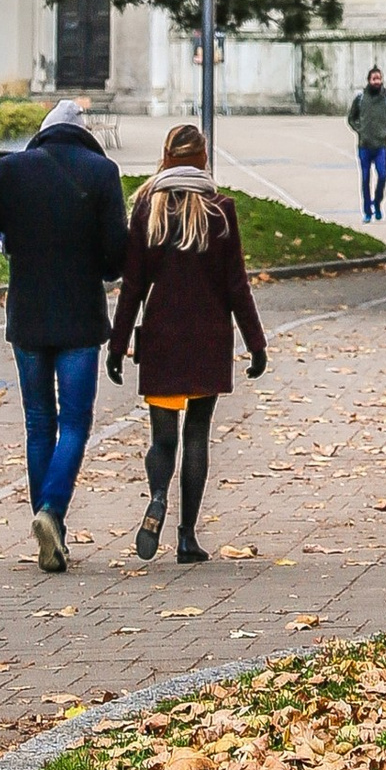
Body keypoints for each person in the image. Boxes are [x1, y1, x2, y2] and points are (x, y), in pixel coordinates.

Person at [0, 96, 128, 572]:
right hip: (80, 319)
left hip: (27, 317)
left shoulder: (14, 170)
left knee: (39, 421)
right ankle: (52, 512)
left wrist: (4, 228)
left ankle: (50, 531)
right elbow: (115, 260)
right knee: (75, 421)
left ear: (42, 133)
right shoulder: (102, 174)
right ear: (84, 134)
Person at [106, 121, 267, 564]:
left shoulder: (147, 209)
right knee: (197, 434)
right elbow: (237, 285)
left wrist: (117, 347)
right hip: (208, 337)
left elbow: (133, 286)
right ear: (203, 159)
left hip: (162, 336)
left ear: (165, 157)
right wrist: (256, 343)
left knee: (163, 440)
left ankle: (157, 495)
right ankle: (187, 537)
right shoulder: (220, 210)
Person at [348, 64, 386, 220]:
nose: (377, 81)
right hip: (364, 146)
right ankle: (367, 211)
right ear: (368, 80)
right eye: (374, 78)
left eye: (379, 78)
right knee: (365, 178)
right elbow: (351, 118)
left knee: (382, 176)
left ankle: (377, 203)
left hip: (380, 146)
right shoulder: (361, 99)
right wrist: (360, 129)